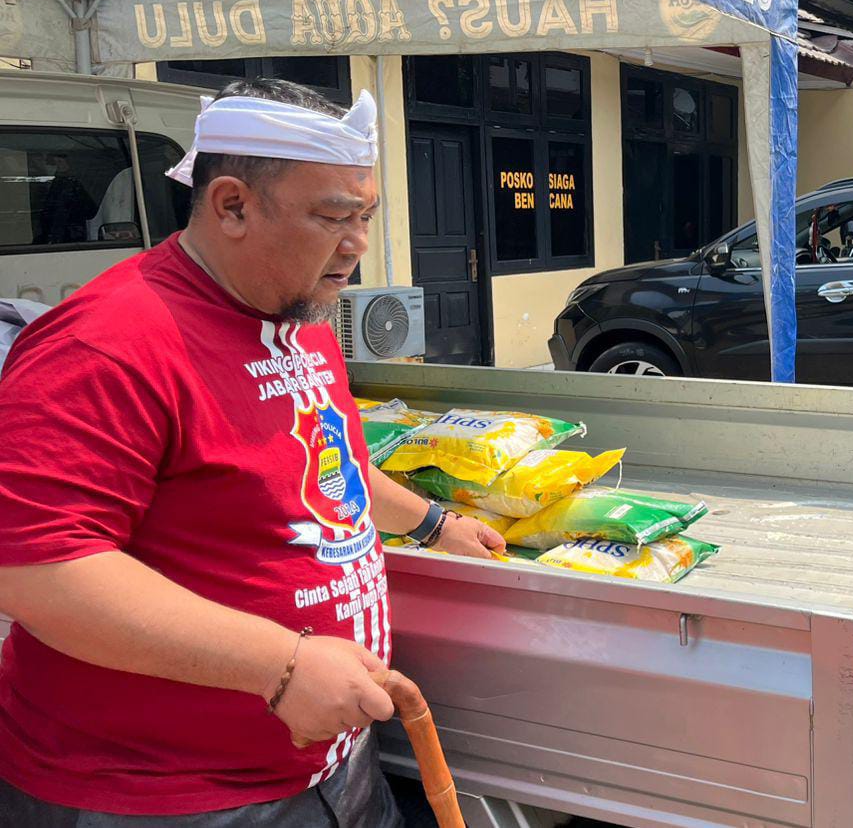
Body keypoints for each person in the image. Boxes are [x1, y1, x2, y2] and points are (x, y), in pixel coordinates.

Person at [0, 79, 506, 827]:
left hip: (330, 765)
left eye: (365, 216)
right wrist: (283, 666)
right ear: (232, 205)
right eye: (332, 217)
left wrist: (433, 523)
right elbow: (37, 571)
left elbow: (329, 467)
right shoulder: (108, 341)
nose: (358, 245)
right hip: (161, 797)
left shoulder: (295, 313)